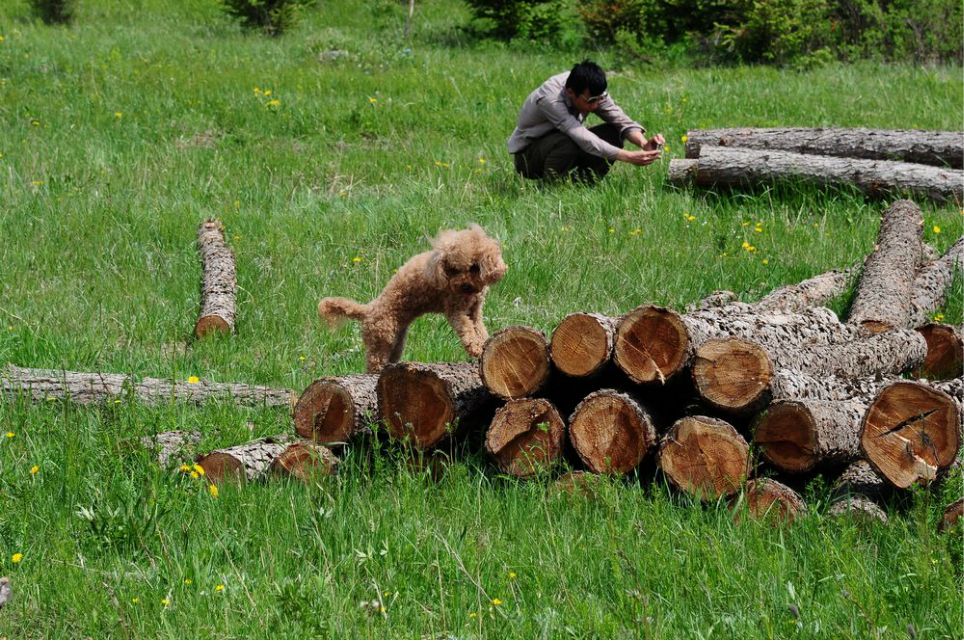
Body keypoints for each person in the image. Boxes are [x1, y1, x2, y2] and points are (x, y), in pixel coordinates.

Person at [508, 60, 665, 183]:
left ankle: (583, 184)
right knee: (569, 140)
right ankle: (551, 188)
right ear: (570, 92)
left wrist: (643, 144)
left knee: (613, 133)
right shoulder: (550, 98)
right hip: (528, 158)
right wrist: (628, 156)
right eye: (591, 101)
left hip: (560, 145)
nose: (596, 105)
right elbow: (580, 136)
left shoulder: (590, 88)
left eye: (600, 99)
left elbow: (620, 120)